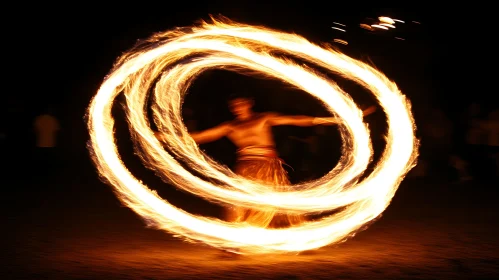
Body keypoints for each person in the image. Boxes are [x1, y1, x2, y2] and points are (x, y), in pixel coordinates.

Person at [156, 94, 377, 228]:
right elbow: (199, 137)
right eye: (235, 105)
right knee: (238, 202)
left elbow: (298, 121)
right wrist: (165, 136)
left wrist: (339, 118)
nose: (238, 107)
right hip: (245, 167)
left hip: (270, 166)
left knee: (286, 204)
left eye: (241, 103)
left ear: (250, 103)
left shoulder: (264, 118)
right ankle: (232, 242)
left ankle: (301, 236)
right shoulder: (230, 126)